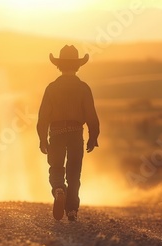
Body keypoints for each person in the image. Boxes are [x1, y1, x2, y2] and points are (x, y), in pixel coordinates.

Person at [37, 45, 100, 221]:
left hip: (56, 132)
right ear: (78, 66)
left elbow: (43, 116)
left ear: (58, 65)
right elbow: (91, 115)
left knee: (56, 167)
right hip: (75, 133)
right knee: (74, 171)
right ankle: (71, 209)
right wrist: (93, 136)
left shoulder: (51, 88)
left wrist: (42, 138)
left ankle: (58, 189)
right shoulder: (83, 88)